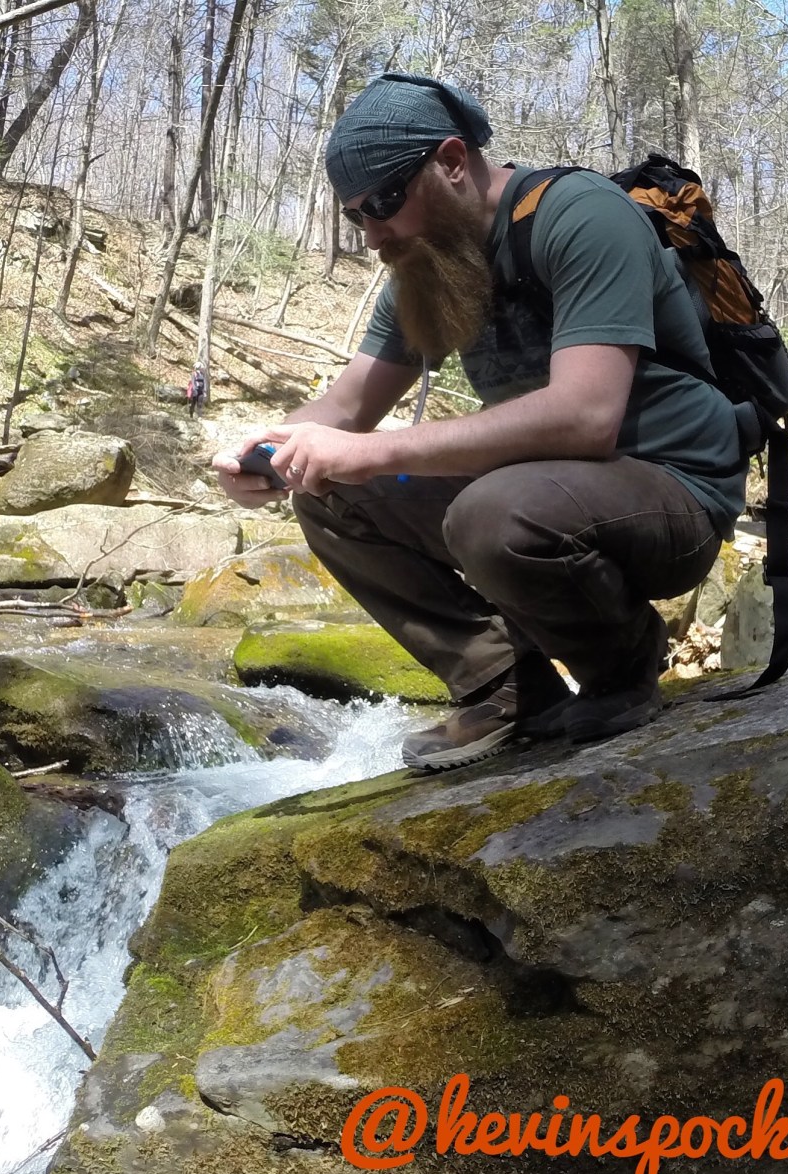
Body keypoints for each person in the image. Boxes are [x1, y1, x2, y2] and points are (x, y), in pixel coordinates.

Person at [212, 72, 747, 771]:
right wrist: (270, 448)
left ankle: (622, 664)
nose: (372, 235)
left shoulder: (581, 215)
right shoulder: (426, 263)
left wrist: (372, 452)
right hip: (541, 492)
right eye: (355, 216)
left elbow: (585, 417)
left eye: (384, 203)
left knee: (490, 512)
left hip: (675, 493)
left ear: (452, 161)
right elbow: (344, 408)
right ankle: (507, 688)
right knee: (330, 492)